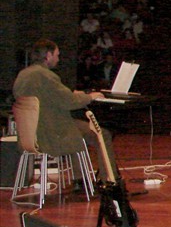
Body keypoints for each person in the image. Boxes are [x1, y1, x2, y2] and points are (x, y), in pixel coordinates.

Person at [12, 39, 118, 183]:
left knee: (77, 128)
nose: (58, 59)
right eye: (57, 55)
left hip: (31, 132)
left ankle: (81, 180)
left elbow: (52, 97)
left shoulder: (23, 75)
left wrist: (74, 94)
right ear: (48, 55)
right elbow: (70, 102)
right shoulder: (46, 76)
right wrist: (89, 96)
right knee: (101, 134)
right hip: (52, 132)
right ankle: (111, 181)